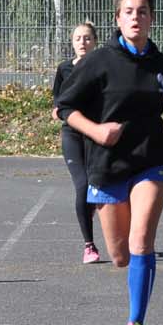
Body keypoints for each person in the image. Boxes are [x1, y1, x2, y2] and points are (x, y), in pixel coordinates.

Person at [55, 0, 163, 325]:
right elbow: (65, 109)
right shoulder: (98, 61)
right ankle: (132, 282)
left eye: (143, 11)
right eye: (129, 11)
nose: (136, 17)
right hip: (105, 165)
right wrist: (97, 131)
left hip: (151, 160)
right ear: (118, 19)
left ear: (151, 19)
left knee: (142, 241)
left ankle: (136, 324)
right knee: (120, 255)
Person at [52, 21, 102, 264]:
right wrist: (58, 110)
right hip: (72, 134)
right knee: (82, 186)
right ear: (72, 43)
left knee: (97, 186)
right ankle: (89, 246)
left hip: (97, 135)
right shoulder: (64, 69)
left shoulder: (104, 67)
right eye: (78, 38)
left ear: (95, 42)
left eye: (87, 38)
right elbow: (57, 102)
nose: (82, 42)